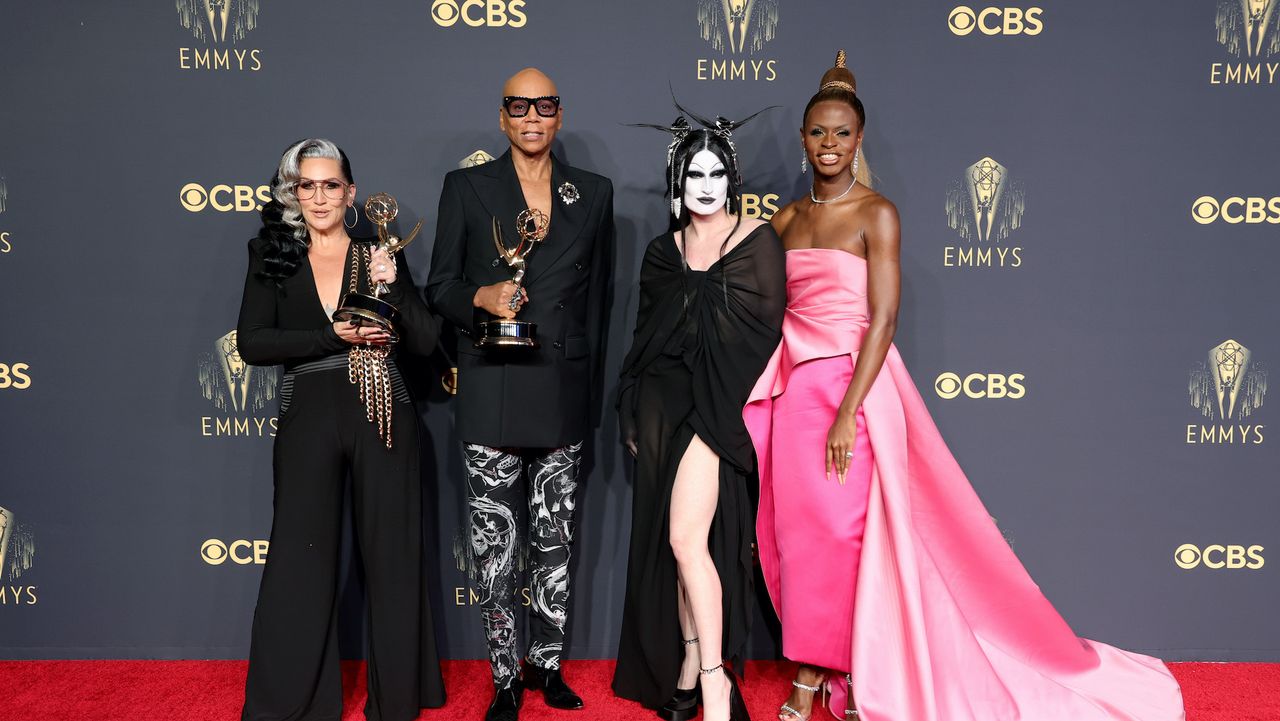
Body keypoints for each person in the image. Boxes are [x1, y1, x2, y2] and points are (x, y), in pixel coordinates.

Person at [744, 52, 1186, 721]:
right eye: (817, 132)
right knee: (803, 541)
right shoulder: (783, 220)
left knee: (850, 539)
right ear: (803, 139)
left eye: (841, 133)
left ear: (859, 140)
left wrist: (847, 414)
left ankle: (848, 674)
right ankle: (822, 671)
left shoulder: (877, 213)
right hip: (796, 397)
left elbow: (883, 318)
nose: (829, 144)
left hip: (855, 394)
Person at [424, 68, 615, 721]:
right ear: (503, 117)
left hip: (561, 390)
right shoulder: (467, 188)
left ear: (559, 115)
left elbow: (600, 305)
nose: (532, 116)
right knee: (497, 547)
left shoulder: (592, 193)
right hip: (491, 386)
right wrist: (480, 296)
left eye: (544, 105)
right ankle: (505, 675)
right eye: (518, 105)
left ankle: (549, 665)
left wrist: (592, 400)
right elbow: (438, 287)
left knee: (555, 541)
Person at [236, 138, 446, 720]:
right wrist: (334, 337)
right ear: (292, 192)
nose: (319, 196)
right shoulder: (270, 254)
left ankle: (396, 701)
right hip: (309, 410)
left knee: (393, 557)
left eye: (331, 185)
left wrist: (397, 285)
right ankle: (291, 704)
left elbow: (428, 343)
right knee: (298, 558)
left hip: (384, 410)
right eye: (307, 185)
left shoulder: (380, 251)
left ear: (351, 193)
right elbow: (252, 342)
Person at [612, 106, 785, 721]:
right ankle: (688, 661)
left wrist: (724, 405)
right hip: (662, 406)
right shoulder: (664, 250)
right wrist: (633, 409)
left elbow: (764, 337)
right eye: (694, 175)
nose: (706, 186)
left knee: (688, 540)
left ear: (731, 179)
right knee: (675, 543)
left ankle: (714, 681)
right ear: (676, 183)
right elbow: (644, 334)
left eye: (716, 174)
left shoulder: (755, 241)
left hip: (716, 410)